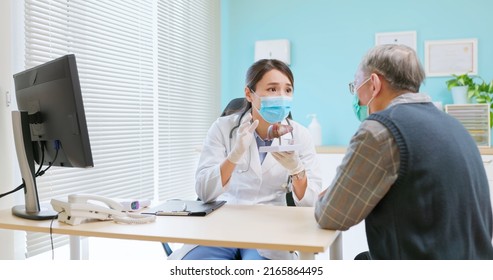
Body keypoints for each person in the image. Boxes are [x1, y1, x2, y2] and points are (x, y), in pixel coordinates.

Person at [315, 44, 493, 259]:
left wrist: (330, 196)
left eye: (356, 86)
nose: (357, 97)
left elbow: (332, 215)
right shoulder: (455, 127)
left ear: (374, 83)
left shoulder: (380, 129)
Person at [169, 59, 322, 260]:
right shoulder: (222, 128)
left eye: (288, 90)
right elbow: (204, 191)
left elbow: (310, 203)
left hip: (269, 227)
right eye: (272, 89)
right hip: (222, 223)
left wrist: (297, 171)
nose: (281, 97)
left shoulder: (300, 135)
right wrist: (234, 156)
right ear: (249, 94)